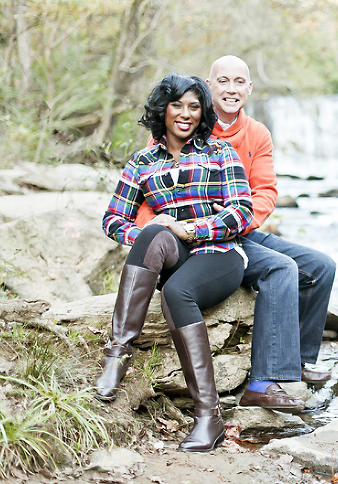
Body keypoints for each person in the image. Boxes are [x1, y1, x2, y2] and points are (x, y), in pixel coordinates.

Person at [134, 56, 336, 409]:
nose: (231, 89)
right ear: (209, 86)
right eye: (223, 81)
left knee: (320, 267)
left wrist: (237, 220)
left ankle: (297, 362)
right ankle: (262, 383)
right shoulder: (186, 122)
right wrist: (164, 231)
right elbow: (146, 191)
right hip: (195, 235)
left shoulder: (256, 133)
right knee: (281, 269)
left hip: (242, 228)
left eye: (239, 82)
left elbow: (265, 192)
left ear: (249, 88)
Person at [96, 73, 253, 452]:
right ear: (162, 110)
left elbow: (242, 211)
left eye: (194, 107)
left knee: (177, 293)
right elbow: (112, 219)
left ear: (203, 113)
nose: (185, 114)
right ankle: (118, 355)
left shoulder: (219, 153)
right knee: (151, 231)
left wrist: (191, 230)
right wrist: (151, 232)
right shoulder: (142, 161)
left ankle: (208, 418)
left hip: (220, 253)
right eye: (177, 105)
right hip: (171, 255)